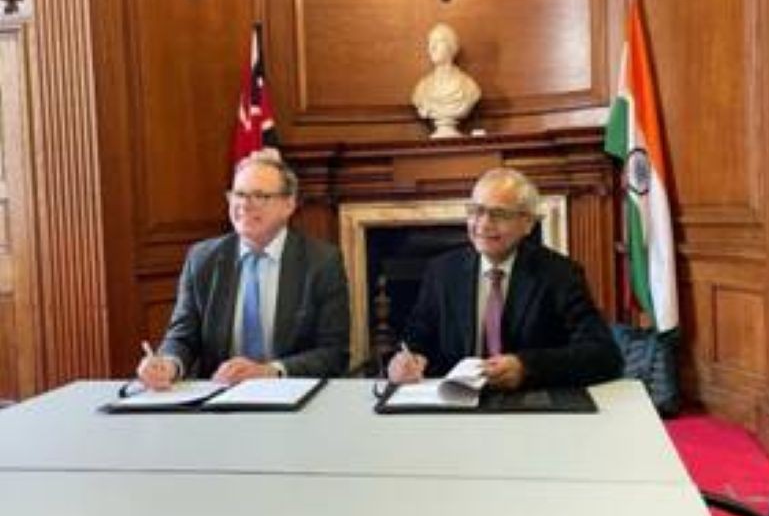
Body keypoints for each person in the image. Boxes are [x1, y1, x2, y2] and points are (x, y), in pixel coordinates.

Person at [388, 167, 622, 390]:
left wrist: (526, 367)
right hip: (458, 402)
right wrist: (407, 360)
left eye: (498, 214)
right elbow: (416, 339)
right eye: (476, 211)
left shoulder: (560, 274)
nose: (483, 223)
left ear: (527, 223)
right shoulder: (442, 272)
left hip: (529, 402)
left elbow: (604, 355)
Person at [137, 151, 350, 389]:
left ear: (288, 205)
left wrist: (270, 371)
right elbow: (182, 337)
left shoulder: (321, 262)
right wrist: (168, 364)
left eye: (259, 196)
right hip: (220, 396)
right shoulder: (203, 259)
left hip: (290, 395)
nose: (245, 205)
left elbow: (334, 353)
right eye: (239, 194)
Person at [411, 23, 481, 138]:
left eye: (438, 41)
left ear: (451, 47)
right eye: (430, 42)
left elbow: (473, 96)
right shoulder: (421, 89)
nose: (432, 47)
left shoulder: (469, 87)